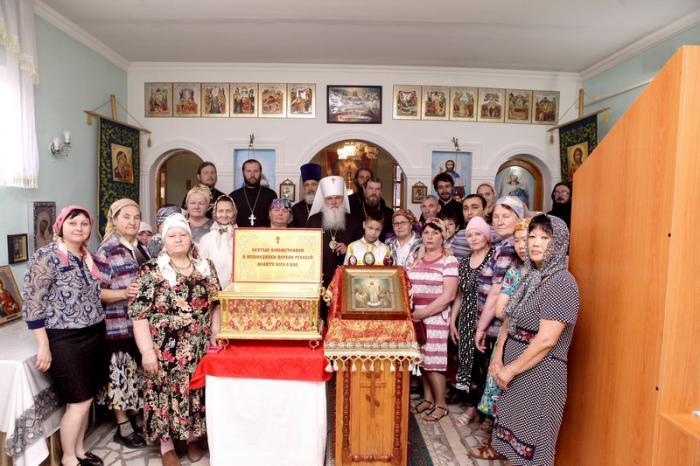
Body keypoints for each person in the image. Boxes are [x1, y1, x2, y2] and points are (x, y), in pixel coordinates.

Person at [129, 214, 222, 466]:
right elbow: (139, 314)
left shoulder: (206, 266)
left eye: (183, 234)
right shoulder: (151, 270)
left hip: (199, 346)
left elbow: (216, 303)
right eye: (172, 235)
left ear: (190, 238)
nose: (178, 239)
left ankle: (192, 438)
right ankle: (167, 445)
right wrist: (146, 351)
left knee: (195, 392)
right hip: (164, 349)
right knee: (164, 395)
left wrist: (215, 331)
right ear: (164, 240)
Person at [491, 215, 579, 465]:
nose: (536, 243)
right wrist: (497, 358)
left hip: (540, 378)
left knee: (533, 451)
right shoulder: (531, 277)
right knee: (514, 450)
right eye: (532, 236)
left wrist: (510, 370)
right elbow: (508, 319)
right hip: (515, 374)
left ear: (559, 243)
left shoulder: (562, 283)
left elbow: (546, 340)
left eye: (545, 237)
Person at [22, 205, 107, 466]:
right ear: (60, 226)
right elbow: (33, 303)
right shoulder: (47, 256)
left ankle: (80, 450)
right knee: (78, 401)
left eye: (84, 223)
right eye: (73, 223)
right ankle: (68, 458)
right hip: (65, 338)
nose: (79, 228)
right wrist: (43, 344)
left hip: (94, 333)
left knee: (87, 398)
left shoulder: (86, 256)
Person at [93, 199, 151, 449]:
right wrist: (124, 293)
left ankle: (136, 419)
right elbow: (97, 292)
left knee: (136, 375)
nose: (132, 221)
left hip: (143, 324)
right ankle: (123, 426)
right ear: (114, 220)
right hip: (118, 324)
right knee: (120, 375)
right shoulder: (106, 250)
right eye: (126, 217)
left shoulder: (142, 248)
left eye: (136, 217)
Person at [470, 196, 526, 446]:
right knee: (492, 377)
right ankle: (493, 429)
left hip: (498, 324)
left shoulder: (508, 247)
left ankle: (496, 435)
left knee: (497, 377)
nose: (500, 221)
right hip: (496, 324)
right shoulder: (503, 244)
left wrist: (480, 327)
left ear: (519, 218)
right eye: (496, 217)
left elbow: (496, 291)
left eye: (507, 216)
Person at [406, 218, 459, 422]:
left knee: (434, 362)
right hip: (416, 315)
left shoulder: (449, 261)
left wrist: (424, 313)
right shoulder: (416, 258)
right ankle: (428, 400)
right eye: (426, 232)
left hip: (436, 316)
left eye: (435, 233)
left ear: (443, 237)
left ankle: (441, 404)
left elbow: (449, 295)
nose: (429, 237)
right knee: (422, 359)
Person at [449, 216, 496, 423]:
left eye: (478, 234)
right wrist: (453, 321)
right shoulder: (465, 261)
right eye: (470, 235)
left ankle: (479, 409)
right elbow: (460, 294)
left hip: (486, 319)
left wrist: (484, 324)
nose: (474, 238)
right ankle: (472, 403)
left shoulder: (494, 257)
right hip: (466, 319)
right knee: (467, 362)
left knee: (483, 364)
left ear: (486, 236)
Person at [306, 176, 362, 291]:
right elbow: (305, 247)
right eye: (329, 198)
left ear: (343, 199)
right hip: (318, 276)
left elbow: (361, 247)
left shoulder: (354, 221)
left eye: (338, 198)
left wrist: (348, 250)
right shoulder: (313, 220)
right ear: (323, 200)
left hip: (345, 277)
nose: (334, 202)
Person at [198, 195, 237, 288]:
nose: (224, 215)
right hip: (213, 289)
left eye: (228, 211)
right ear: (215, 213)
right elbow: (201, 268)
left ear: (234, 212)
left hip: (236, 290)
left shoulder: (242, 238)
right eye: (220, 211)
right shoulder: (205, 240)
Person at [230, 159, 277, 227]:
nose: (252, 174)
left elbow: (275, 218)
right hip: (240, 233)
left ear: (260, 172)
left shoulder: (271, 195)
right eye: (248, 171)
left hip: (265, 233)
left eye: (256, 171)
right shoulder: (234, 196)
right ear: (243, 173)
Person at [451, 194, 488, 259]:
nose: (469, 212)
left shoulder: (496, 235)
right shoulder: (459, 234)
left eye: (475, 207)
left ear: (485, 210)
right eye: (465, 208)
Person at [291, 163, 321, 227]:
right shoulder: (296, 209)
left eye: (313, 184)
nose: (310, 188)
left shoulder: (326, 206)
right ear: (304, 187)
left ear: (319, 186)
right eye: (306, 185)